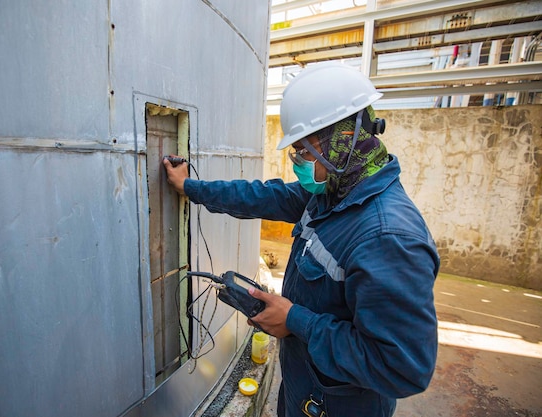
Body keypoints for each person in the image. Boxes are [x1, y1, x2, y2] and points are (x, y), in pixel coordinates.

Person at [163, 62, 439, 417]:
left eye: (305, 152)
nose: (298, 163)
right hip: (305, 391)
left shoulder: (387, 238)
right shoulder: (333, 193)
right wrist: (190, 187)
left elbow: (403, 368)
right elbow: (261, 196)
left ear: (343, 141)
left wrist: (295, 320)